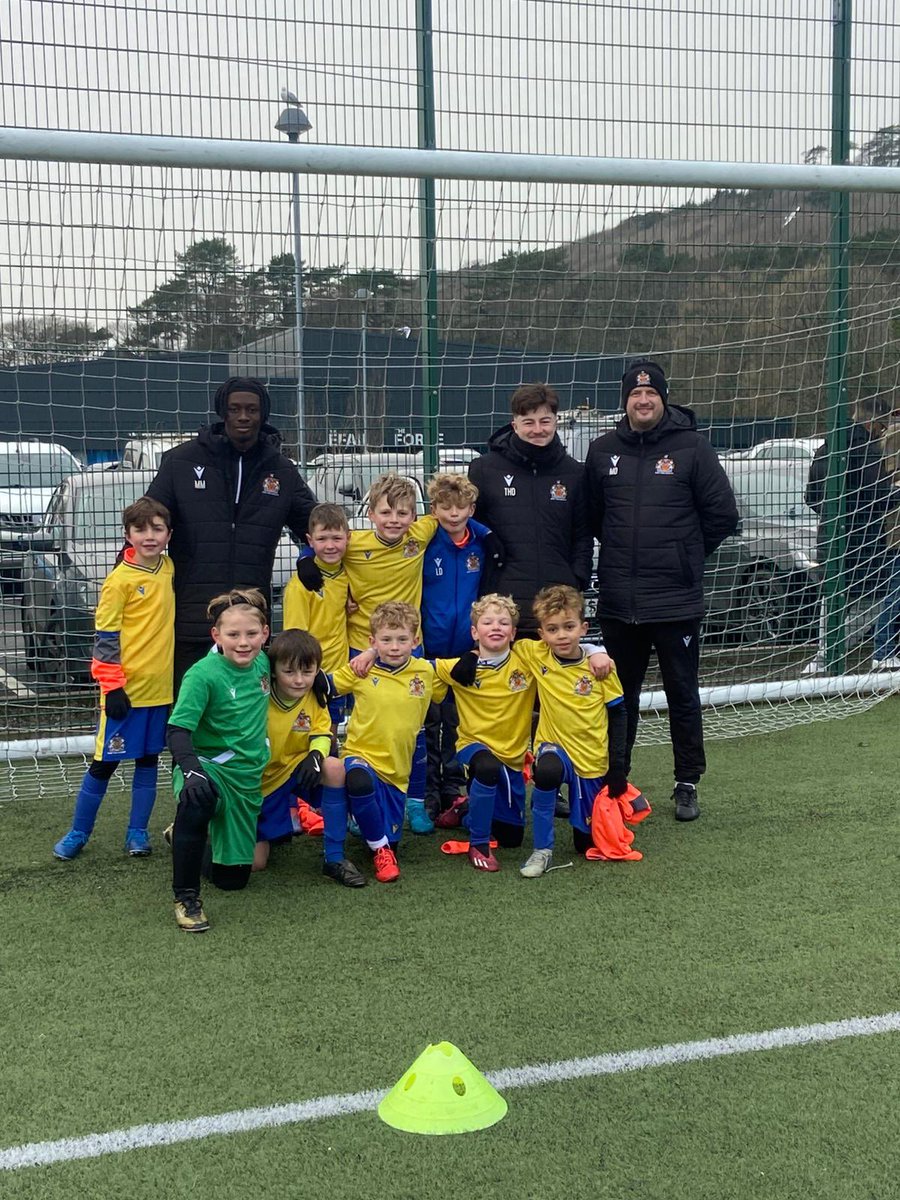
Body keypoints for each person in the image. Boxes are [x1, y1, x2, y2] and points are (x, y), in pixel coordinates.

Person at [584, 360, 740, 822]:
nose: (644, 401)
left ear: (663, 399)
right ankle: (615, 782)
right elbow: (594, 517)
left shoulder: (692, 447)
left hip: (675, 600)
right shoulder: (601, 450)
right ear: (625, 400)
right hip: (619, 601)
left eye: (651, 395)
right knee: (618, 696)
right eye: (635, 395)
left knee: (682, 693)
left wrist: (685, 553)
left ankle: (686, 781)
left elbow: (722, 515)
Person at [146, 376, 317, 689]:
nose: (242, 416)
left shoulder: (281, 470)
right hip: (193, 621)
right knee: (189, 713)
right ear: (222, 412)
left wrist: (308, 556)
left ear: (262, 415)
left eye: (251, 410)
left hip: (248, 626)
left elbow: (315, 526)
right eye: (235, 409)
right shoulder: (181, 462)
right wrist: (128, 566)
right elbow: (147, 520)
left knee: (244, 713)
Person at [435, 593, 613, 873]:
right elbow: (415, 667)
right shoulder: (455, 668)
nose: (495, 627)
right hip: (474, 745)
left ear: (514, 632)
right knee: (486, 767)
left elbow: (564, 647)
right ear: (474, 631)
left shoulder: (527, 660)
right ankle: (478, 843)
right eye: (487, 622)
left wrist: (597, 650)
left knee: (511, 838)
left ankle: (467, 810)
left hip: (513, 755)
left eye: (503, 622)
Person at [53, 497, 174, 860]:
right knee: (104, 764)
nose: (149, 536)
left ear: (169, 534)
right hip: (126, 692)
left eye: (157, 529)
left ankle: (137, 834)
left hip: (162, 692)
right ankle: (78, 832)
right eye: (141, 529)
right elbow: (105, 638)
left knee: (149, 761)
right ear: (128, 535)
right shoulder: (118, 580)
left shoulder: (169, 568)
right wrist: (113, 685)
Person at [511, 585, 640, 877]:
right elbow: (501, 642)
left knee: (586, 844)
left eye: (569, 627)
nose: (561, 635)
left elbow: (619, 715)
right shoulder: (536, 654)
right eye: (552, 629)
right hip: (553, 746)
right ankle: (542, 850)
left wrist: (617, 767)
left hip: (592, 757)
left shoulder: (601, 668)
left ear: (583, 627)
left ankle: (590, 826)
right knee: (546, 773)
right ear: (541, 634)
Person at [167, 588, 271, 933]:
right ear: (216, 636)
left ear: (265, 634)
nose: (243, 642)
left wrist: (320, 681)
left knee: (234, 880)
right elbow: (177, 731)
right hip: (206, 766)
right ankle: (186, 898)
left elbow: (301, 664)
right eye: (233, 635)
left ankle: (185, 837)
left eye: (252, 634)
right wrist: (192, 771)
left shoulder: (264, 661)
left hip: (245, 777)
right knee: (200, 799)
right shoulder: (202, 675)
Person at [468, 381, 593, 637]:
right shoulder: (484, 470)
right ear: (515, 425)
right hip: (504, 608)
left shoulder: (575, 473)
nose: (538, 430)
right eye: (529, 422)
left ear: (556, 421)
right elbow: (471, 529)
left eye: (545, 421)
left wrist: (577, 578)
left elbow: (583, 533)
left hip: (557, 609)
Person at [329, 601, 438, 884]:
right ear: (372, 641)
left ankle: (368, 826)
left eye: (402, 639)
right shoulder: (360, 669)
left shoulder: (426, 671)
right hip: (361, 755)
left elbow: (467, 673)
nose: (394, 647)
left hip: (397, 772)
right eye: (386, 640)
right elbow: (323, 687)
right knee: (358, 780)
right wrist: (367, 655)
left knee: (390, 836)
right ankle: (381, 852)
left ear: (415, 641)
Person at [254, 628, 363, 887]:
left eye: (307, 671)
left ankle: (334, 858)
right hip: (262, 783)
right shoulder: (258, 695)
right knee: (255, 864)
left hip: (297, 769)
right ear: (273, 671)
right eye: (289, 672)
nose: (299, 680)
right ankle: (195, 832)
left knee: (334, 766)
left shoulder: (316, 693)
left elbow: (321, 730)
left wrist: (316, 754)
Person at [803, 396, 895, 674]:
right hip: (864, 538)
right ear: (873, 422)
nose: (884, 430)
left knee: (832, 596)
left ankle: (822, 656)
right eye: (883, 424)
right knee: (875, 596)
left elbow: (811, 497)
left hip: (830, 536)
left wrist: (834, 514)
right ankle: (849, 650)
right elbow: (879, 495)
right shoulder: (867, 450)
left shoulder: (825, 448)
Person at [420, 473, 488, 825]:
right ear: (433, 510)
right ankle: (429, 793)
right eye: (445, 507)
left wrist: (477, 649)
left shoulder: (481, 543)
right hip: (429, 652)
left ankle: (453, 787)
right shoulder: (424, 543)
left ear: (471, 509)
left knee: (458, 724)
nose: (453, 513)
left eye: (461, 507)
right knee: (429, 725)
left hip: (465, 653)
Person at [282, 502, 351, 735]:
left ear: (348, 538)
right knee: (308, 738)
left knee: (330, 738)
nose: (330, 546)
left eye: (336, 538)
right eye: (322, 539)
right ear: (310, 541)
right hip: (311, 675)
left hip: (340, 674)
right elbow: (295, 638)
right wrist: (310, 672)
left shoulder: (350, 571)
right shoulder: (301, 584)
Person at [873, 403, 900, 669]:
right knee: (895, 592)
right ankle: (883, 652)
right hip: (897, 532)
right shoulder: (893, 436)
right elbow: (890, 479)